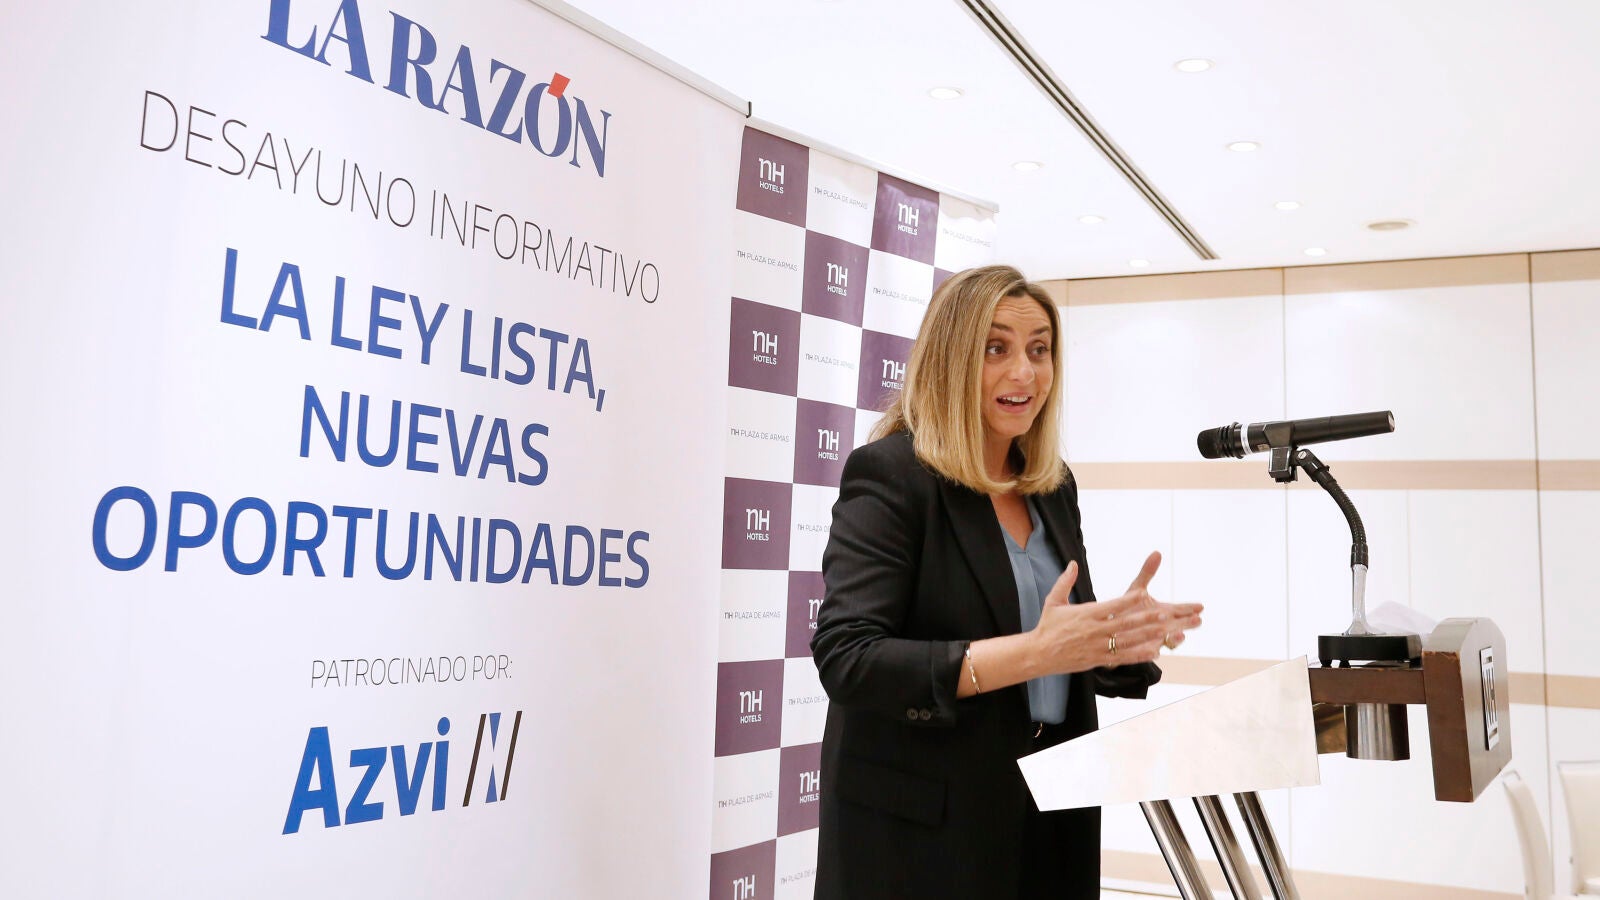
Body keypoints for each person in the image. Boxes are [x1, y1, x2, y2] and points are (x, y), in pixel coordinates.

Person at [810, 264, 1204, 899]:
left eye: (1039, 350)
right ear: (951, 359)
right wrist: (1034, 654)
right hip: (924, 834)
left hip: (1053, 812)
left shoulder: (1053, 486)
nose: (1025, 372)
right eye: (996, 348)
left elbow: (1061, 640)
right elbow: (849, 657)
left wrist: (1115, 640)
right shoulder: (891, 475)